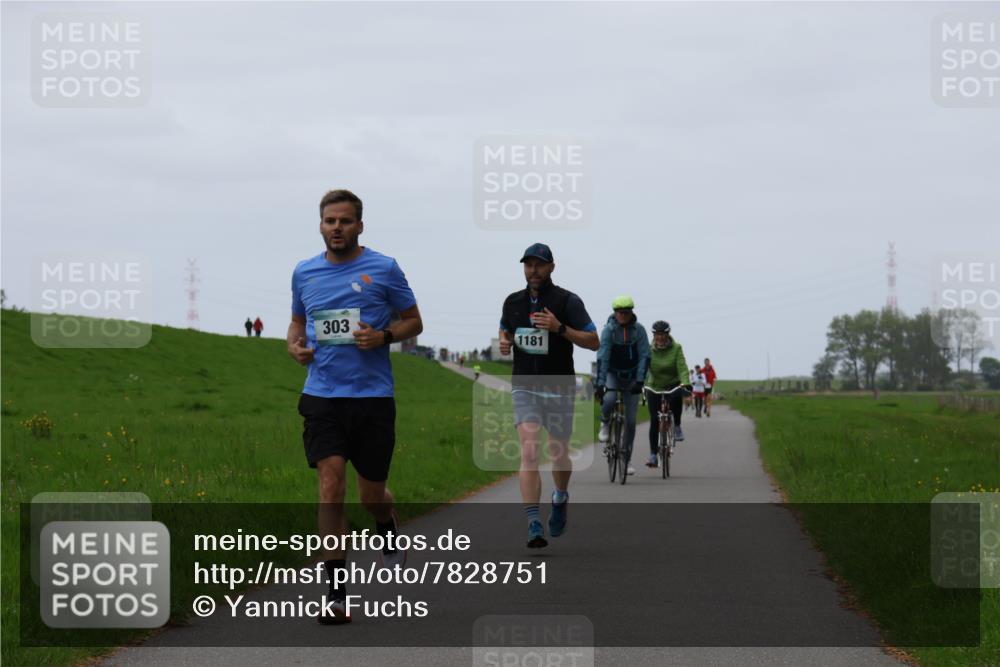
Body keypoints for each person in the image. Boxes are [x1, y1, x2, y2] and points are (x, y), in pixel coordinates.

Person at [287, 189, 423, 624]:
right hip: (322, 396)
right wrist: (295, 346)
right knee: (330, 487)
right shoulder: (304, 272)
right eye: (330, 221)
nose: (337, 228)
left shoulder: (383, 268)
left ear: (359, 225)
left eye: (345, 221)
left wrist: (382, 337)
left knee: (371, 495)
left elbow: (414, 321)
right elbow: (296, 323)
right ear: (321, 225)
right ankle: (336, 593)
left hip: (372, 398)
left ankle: (387, 527)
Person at [499, 243, 599, 548]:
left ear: (551, 267)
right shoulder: (513, 302)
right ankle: (533, 522)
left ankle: (560, 496)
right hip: (524, 385)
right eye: (528, 265)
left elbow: (593, 340)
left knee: (558, 452)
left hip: (558, 386)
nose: (534, 271)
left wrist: (560, 329)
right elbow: (506, 329)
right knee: (529, 451)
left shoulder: (567, 300)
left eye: (539, 265)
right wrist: (505, 341)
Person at [595, 296, 651, 477]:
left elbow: (645, 356)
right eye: (620, 312)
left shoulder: (639, 330)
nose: (623, 316)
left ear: (631, 312)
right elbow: (603, 356)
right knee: (610, 398)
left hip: (632, 376)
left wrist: (640, 381)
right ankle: (604, 422)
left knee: (631, 422)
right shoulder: (609, 330)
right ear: (615, 313)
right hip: (613, 373)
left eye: (626, 312)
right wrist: (600, 383)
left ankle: (626, 461)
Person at [643, 321, 690, 467]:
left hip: (673, 384)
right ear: (654, 335)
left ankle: (677, 426)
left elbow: (682, 367)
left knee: (676, 398)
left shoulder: (676, 348)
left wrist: (685, 382)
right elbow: (643, 367)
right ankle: (653, 455)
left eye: (663, 334)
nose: (660, 337)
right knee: (654, 420)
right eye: (657, 334)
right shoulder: (648, 349)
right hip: (654, 386)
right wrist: (639, 382)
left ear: (668, 334)